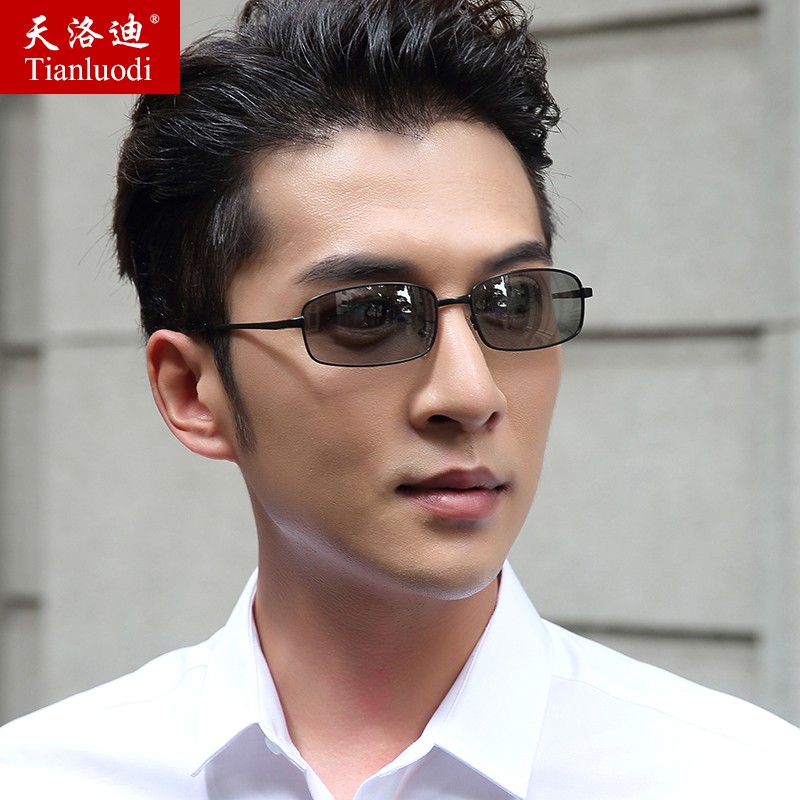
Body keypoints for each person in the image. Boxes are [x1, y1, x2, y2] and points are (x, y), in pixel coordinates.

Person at [1, 0, 798, 797]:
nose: (471, 393)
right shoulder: (45, 779)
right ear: (192, 392)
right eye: (366, 315)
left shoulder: (739, 777)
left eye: (511, 301)